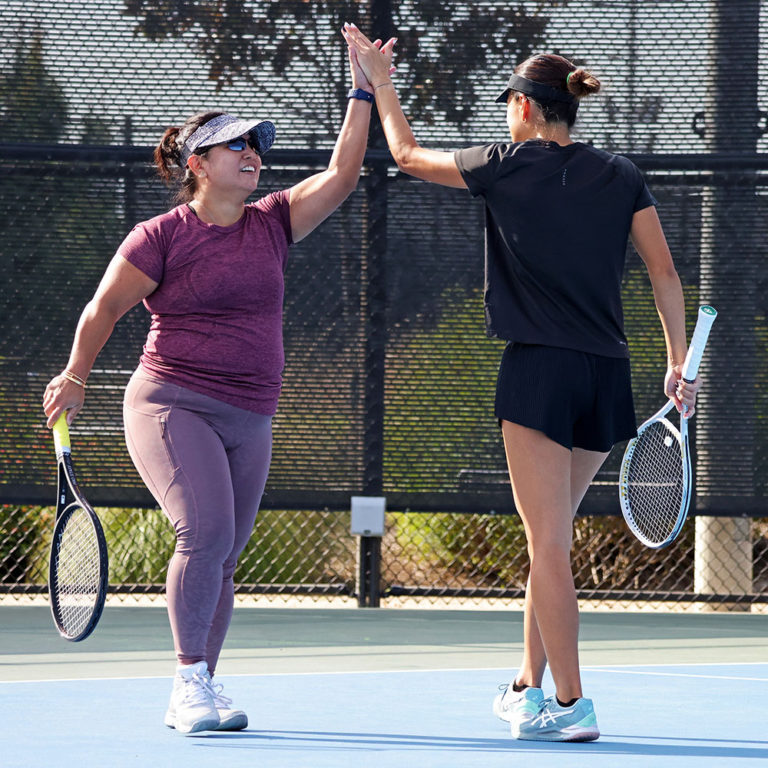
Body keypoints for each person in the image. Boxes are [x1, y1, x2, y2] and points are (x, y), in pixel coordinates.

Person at [343, 23, 700, 743]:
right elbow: (664, 272)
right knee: (553, 540)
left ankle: (573, 704)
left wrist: (381, 84)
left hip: (538, 370)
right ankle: (524, 686)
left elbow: (406, 154)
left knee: (549, 548)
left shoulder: (504, 164)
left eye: (509, 103)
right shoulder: (621, 174)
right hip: (606, 374)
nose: (506, 113)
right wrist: (677, 361)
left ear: (529, 110)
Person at [42, 34, 396, 735]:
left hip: (250, 413)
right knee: (202, 534)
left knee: (226, 554)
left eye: (256, 146)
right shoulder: (161, 237)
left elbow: (345, 174)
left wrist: (364, 88)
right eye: (236, 146)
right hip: (171, 402)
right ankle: (187, 683)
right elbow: (103, 309)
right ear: (198, 164)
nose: (252, 155)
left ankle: (202, 679)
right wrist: (75, 375)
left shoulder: (271, 224)